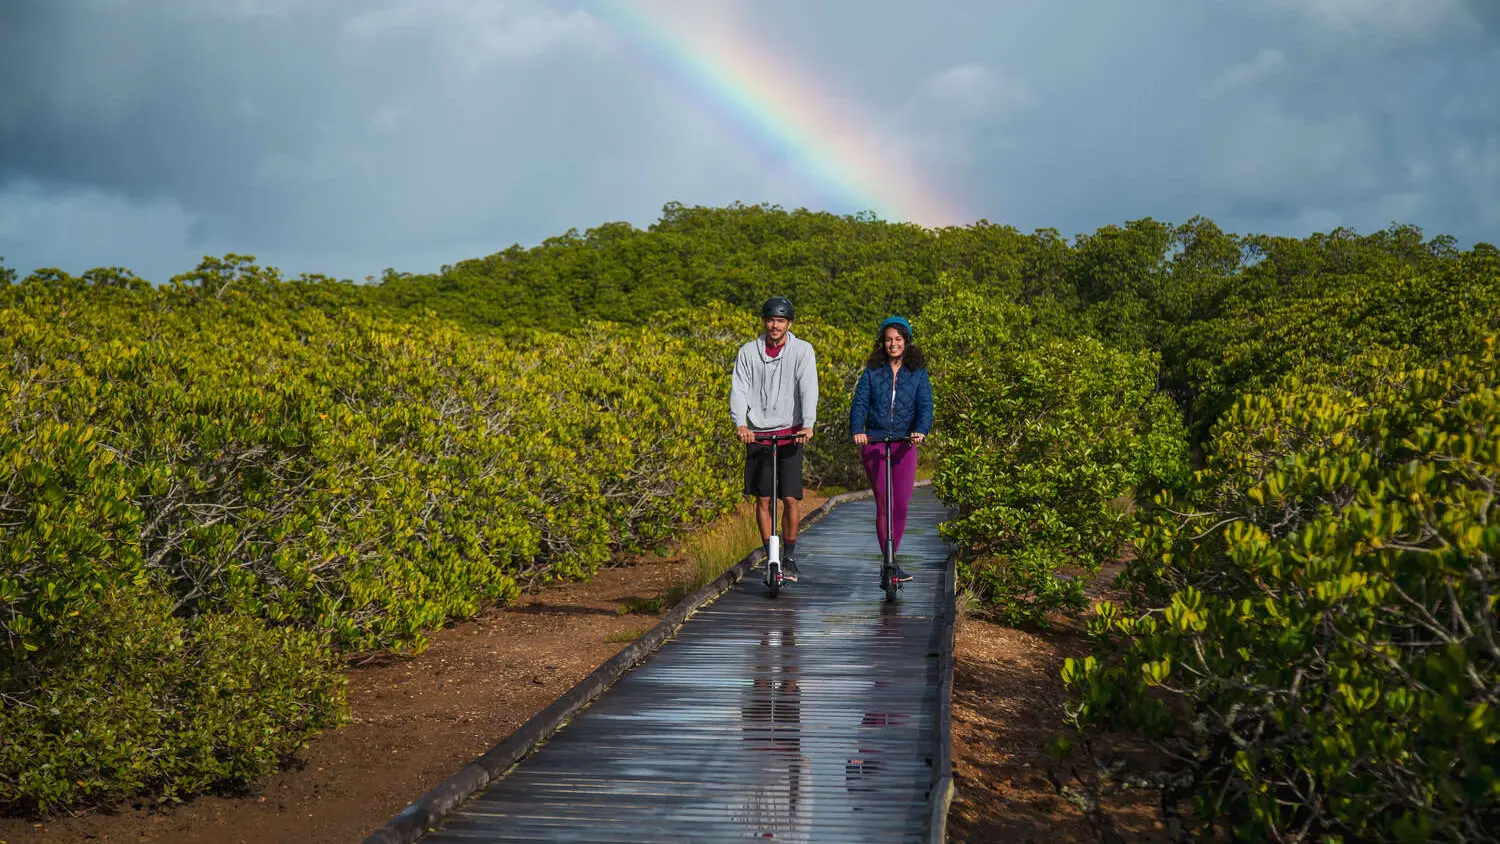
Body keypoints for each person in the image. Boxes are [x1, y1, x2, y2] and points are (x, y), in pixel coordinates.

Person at [730, 296, 819, 583]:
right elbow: (739, 389)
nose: (774, 325)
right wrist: (741, 423)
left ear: (788, 324)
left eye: (780, 321)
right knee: (764, 498)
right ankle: (771, 555)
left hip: (791, 432)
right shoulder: (747, 352)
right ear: (764, 322)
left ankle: (789, 556)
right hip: (758, 432)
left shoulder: (802, 350)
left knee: (791, 498)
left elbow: (808, 387)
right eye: (770, 320)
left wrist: (808, 423)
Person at [848, 315, 932, 585]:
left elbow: (925, 405)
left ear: (906, 341)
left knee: (902, 504)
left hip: (905, 443)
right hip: (873, 442)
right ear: (882, 343)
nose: (893, 344)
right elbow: (860, 402)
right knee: (884, 502)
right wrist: (857, 430)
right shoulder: (872, 371)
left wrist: (921, 429)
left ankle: (891, 561)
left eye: (898, 339)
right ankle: (890, 561)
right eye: (888, 340)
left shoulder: (917, 372)